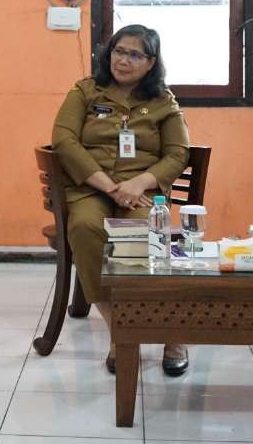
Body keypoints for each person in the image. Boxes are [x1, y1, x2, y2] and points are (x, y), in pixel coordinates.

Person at [51, 24, 191, 376]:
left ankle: (170, 331)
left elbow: (178, 153)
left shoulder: (163, 101)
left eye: (134, 54)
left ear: (150, 62)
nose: (123, 60)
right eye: (118, 51)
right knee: (84, 227)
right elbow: (64, 141)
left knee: (142, 235)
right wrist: (110, 187)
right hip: (91, 188)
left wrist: (141, 183)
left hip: (142, 193)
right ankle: (122, 330)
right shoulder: (85, 91)